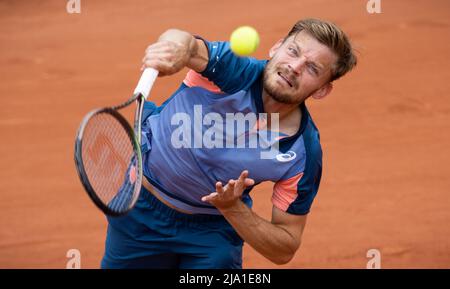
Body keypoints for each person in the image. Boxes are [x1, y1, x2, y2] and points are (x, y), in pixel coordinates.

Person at [101, 18, 357, 269]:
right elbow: (185, 42)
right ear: (276, 47)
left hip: (212, 230)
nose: (295, 67)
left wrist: (232, 208)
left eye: (312, 68)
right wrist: (174, 50)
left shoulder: (301, 151)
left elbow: (285, 247)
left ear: (322, 90)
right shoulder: (233, 71)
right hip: (139, 210)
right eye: (293, 51)